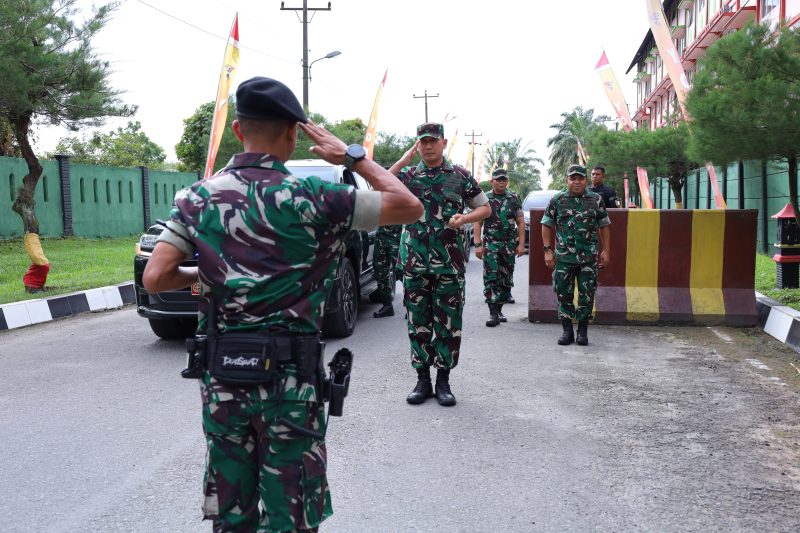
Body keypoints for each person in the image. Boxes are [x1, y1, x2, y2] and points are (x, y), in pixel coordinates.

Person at [142, 76, 422, 532]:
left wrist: (209, 275)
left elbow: (156, 276)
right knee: (290, 514)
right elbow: (409, 206)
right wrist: (353, 156)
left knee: (233, 515)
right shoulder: (321, 198)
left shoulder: (197, 198)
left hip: (224, 379)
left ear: (238, 130)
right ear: (294, 135)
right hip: (292, 384)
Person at [389, 122, 491, 407]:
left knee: (448, 324)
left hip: (450, 265)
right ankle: (422, 380)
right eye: (423, 141)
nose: (428, 145)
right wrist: (403, 160)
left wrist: (465, 219)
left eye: (433, 140)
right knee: (417, 323)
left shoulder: (459, 176)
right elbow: (378, 183)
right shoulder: (408, 175)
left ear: (443, 143)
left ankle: (443, 381)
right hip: (414, 264)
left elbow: (485, 207)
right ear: (417, 145)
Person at [541, 164, 611, 346]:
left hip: (588, 257)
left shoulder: (595, 199)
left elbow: (604, 225)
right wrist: (547, 251)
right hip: (564, 258)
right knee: (564, 294)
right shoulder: (557, 200)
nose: (577, 182)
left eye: (580, 178)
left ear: (586, 180)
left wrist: (606, 250)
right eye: (573, 178)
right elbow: (546, 224)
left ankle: (582, 331)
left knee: (586, 294)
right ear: (567, 180)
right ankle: (567, 331)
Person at [473, 168, 525, 327]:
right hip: (491, 245)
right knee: (491, 277)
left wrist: (521, 244)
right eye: (498, 179)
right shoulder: (485, 198)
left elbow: (521, 222)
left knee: (506, 279)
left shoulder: (514, 198)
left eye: (504, 180)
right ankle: (493, 313)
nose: (501, 182)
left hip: (508, 246)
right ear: (492, 181)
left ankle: (500, 309)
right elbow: (478, 222)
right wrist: (478, 244)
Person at [369, 223, 402, 318]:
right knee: (380, 271)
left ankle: (411, 305)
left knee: (402, 271)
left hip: (397, 236)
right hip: (381, 237)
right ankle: (387, 306)